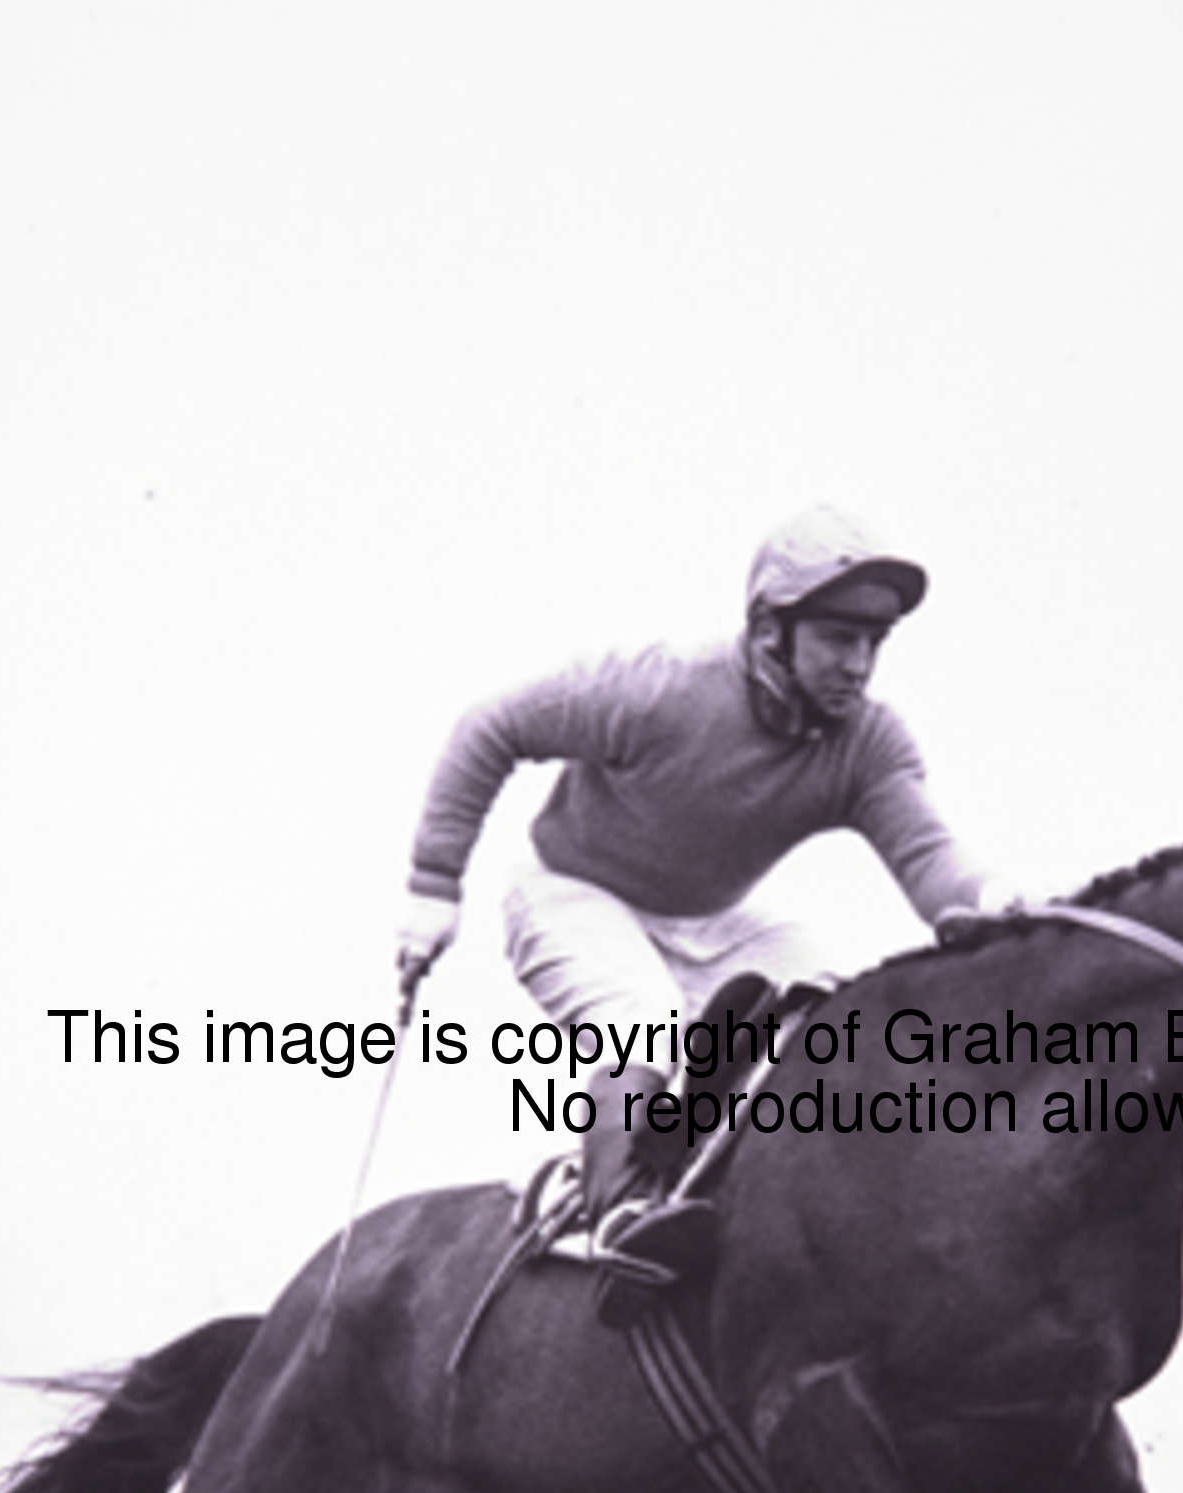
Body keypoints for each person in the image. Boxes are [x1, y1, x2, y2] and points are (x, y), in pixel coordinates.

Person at [396, 505, 996, 1318]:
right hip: (572, 892)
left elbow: (927, 858)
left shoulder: (868, 743)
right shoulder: (659, 689)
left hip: (711, 920)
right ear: (770, 631)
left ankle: (731, 1170)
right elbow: (490, 726)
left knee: (833, 995)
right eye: (838, 638)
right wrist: (434, 884)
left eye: (874, 643)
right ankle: (619, 1211)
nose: (860, 665)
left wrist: (996, 907)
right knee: (639, 1021)